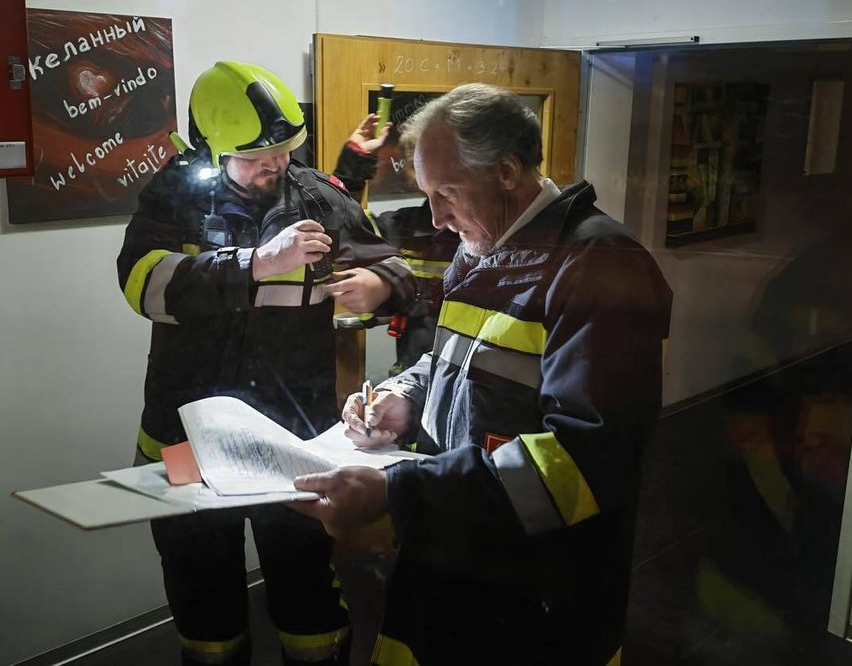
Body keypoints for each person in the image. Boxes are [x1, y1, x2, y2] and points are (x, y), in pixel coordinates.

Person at [293, 83, 673, 666]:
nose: (439, 220)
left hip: (534, 589)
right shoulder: (487, 245)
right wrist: (404, 396)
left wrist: (397, 491)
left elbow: (585, 463)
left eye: (447, 194)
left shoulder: (599, 264)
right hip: (455, 550)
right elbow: (456, 361)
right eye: (428, 196)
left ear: (506, 172)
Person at [117, 61, 415, 666]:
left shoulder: (312, 194)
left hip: (294, 433)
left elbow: (397, 265)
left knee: (307, 588)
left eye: (282, 153)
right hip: (184, 440)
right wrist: (254, 263)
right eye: (256, 158)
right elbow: (141, 285)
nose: (274, 168)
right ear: (210, 148)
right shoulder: (172, 197)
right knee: (201, 589)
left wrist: (381, 284)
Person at [333, 114, 460, 372]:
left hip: (475, 392)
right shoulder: (402, 226)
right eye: (417, 162)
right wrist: (352, 167)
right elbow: (342, 231)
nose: (440, 218)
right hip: (410, 389)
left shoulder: (501, 236)